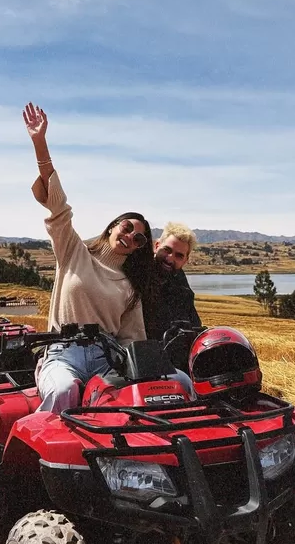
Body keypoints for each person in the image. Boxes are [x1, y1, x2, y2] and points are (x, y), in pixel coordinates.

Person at [23, 103, 193, 411]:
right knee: (63, 390)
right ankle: (46, 443)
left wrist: (148, 369)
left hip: (108, 357)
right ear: (113, 225)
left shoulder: (131, 285)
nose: (130, 236)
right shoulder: (74, 252)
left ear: (141, 247)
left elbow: (131, 338)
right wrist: (40, 143)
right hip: (63, 353)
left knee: (171, 385)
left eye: (138, 238)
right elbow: (58, 206)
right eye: (127, 227)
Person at [143, 222, 202, 345]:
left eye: (179, 256)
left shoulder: (179, 279)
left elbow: (193, 324)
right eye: (167, 250)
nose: (170, 259)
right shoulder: (139, 272)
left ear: (185, 260)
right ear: (156, 246)